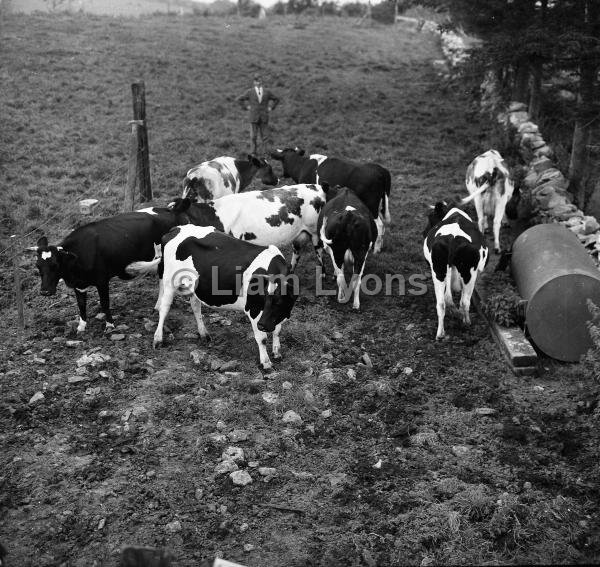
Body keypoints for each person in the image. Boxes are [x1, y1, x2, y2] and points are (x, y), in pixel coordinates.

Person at [236, 74, 280, 156]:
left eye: (260, 81)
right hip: (253, 117)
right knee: (253, 136)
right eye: (257, 81)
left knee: (265, 137)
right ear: (254, 82)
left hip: (264, 117)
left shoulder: (267, 91)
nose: (259, 83)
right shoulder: (250, 92)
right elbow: (239, 99)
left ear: (261, 81)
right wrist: (246, 107)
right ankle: (253, 153)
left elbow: (276, 99)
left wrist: (271, 107)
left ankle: (266, 152)